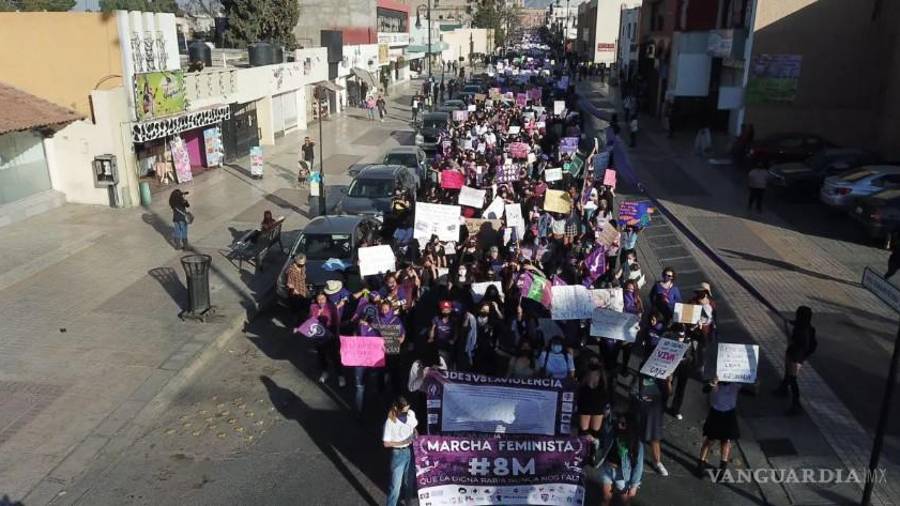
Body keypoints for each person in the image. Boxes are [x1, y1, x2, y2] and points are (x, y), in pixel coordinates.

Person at [773, 306, 817, 415]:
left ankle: (796, 404)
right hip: (796, 354)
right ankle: (783, 389)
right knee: (788, 374)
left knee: (792, 378)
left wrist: (787, 329)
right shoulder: (806, 327)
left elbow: (792, 341)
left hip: (796, 356)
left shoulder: (801, 332)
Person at [698, 377, 741, 480]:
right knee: (709, 440)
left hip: (729, 414)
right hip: (715, 413)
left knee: (725, 441)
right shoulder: (715, 380)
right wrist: (712, 383)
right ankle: (701, 465)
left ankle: (722, 468)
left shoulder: (736, 382)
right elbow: (705, 389)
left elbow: (750, 387)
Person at [597, 411, 644, 506]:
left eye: (623, 424)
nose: (619, 425)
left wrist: (634, 485)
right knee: (606, 498)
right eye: (619, 422)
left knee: (625, 501)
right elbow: (606, 427)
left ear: (630, 426)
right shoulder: (612, 433)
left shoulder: (636, 444)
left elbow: (639, 466)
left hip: (622, 474)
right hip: (607, 469)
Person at [382, 396, 418, 506]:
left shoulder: (411, 413)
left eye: (408, 409)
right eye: (404, 411)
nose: (406, 412)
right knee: (395, 488)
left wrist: (416, 433)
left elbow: (413, 426)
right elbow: (386, 443)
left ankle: (408, 504)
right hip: (398, 454)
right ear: (397, 408)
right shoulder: (390, 422)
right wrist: (403, 442)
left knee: (409, 484)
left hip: (411, 451)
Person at [635, 372, 670, 476]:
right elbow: (638, 390)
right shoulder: (645, 372)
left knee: (655, 436)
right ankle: (634, 458)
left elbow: (668, 393)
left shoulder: (665, 374)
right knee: (638, 434)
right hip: (642, 407)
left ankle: (657, 462)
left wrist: (668, 382)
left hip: (655, 410)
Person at [577, 356, 609, 436]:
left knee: (585, 431)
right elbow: (605, 390)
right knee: (594, 431)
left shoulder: (584, 373)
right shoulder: (602, 374)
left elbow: (579, 388)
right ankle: (592, 447)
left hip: (588, 402)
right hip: (596, 402)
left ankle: (585, 446)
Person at [285, 254, 309, 322]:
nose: (302, 265)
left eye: (303, 263)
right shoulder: (291, 271)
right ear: (296, 262)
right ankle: (296, 320)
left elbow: (304, 275)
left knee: (304, 305)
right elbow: (289, 283)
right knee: (296, 307)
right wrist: (295, 290)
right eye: (300, 264)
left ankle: (302, 317)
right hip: (295, 292)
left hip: (302, 288)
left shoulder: (303, 267)